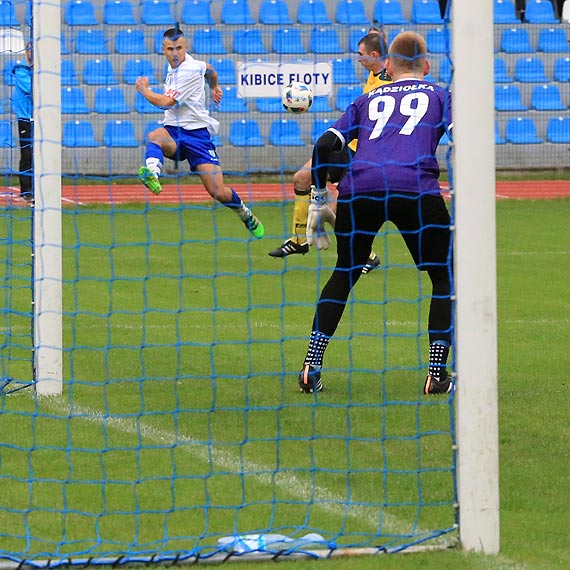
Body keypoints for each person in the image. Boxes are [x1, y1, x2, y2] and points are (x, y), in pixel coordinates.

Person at [298, 31, 453, 396]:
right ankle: (436, 373)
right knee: (444, 278)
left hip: (360, 187)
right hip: (414, 186)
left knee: (344, 272)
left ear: (390, 64)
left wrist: (319, 197)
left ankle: (310, 367)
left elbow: (325, 144)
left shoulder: (367, 98)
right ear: (426, 66)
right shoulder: (441, 95)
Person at [268, 31, 392, 275]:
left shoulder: (386, 83)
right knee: (302, 179)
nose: (358, 58)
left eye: (361, 54)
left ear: (374, 55)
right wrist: (378, 35)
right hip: (348, 144)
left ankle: (367, 255)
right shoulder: (375, 70)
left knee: (336, 207)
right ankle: (299, 240)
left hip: (358, 150)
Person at [137, 26, 264, 239]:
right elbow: (210, 69)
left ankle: (245, 214)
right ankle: (153, 174)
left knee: (218, 192)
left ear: (185, 47)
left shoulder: (188, 69)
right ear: (163, 49)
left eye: (179, 48)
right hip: (174, 132)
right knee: (155, 137)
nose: (175, 53)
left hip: (197, 136)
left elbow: (167, 102)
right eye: (170, 49)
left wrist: (144, 90)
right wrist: (214, 86)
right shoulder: (183, 66)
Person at [12, 41, 33, 202]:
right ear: (27, 52)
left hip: (40, 119)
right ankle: (26, 190)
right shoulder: (21, 71)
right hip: (26, 119)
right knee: (27, 154)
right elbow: (32, 89)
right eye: (31, 50)